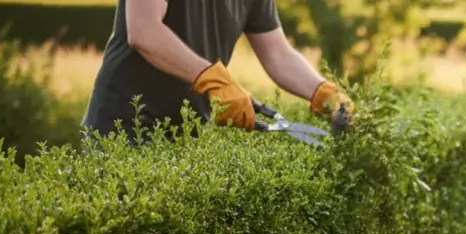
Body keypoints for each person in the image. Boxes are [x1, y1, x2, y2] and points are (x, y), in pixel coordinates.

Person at [81, 0, 352, 138]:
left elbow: (277, 53)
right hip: (124, 124)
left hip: (185, 131)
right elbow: (143, 30)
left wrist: (324, 92)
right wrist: (212, 79)